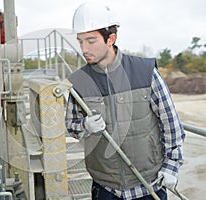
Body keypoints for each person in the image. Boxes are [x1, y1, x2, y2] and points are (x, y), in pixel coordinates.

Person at [65, 2, 185, 200]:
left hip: (148, 185)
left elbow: (170, 123)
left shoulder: (144, 72)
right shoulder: (79, 82)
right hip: (105, 188)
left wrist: (171, 166)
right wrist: (85, 125)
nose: (84, 49)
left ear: (111, 38)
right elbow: (71, 126)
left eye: (91, 41)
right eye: (80, 41)